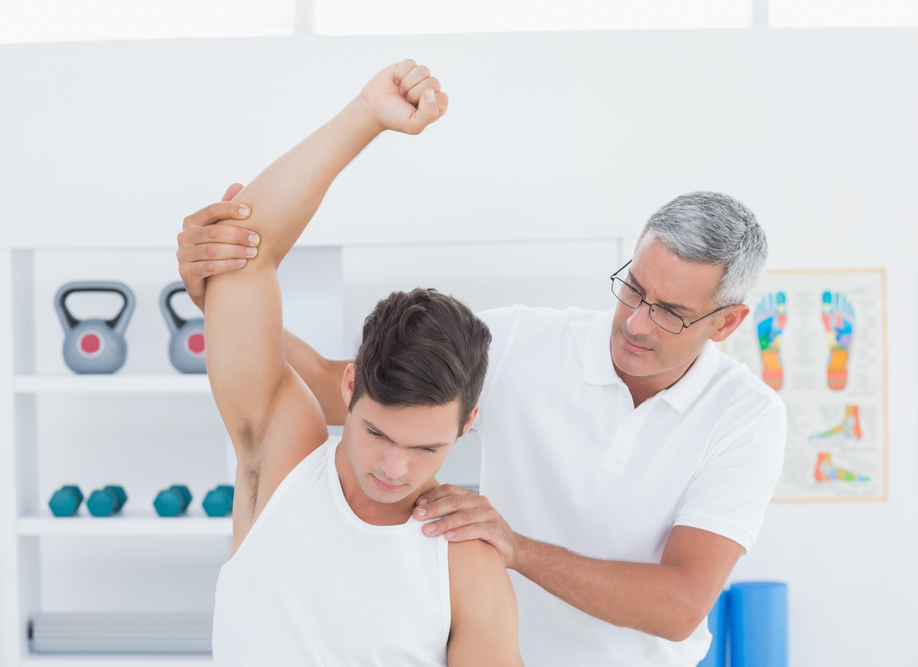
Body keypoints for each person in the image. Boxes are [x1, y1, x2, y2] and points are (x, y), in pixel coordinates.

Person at [179, 110, 786, 667]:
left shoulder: (745, 417)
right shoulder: (514, 345)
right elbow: (301, 351)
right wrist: (224, 302)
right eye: (632, 289)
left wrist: (515, 547)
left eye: (670, 312)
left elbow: (681, 606)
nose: (634, 322)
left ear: (726, 322)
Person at [201, 60, 522, 666]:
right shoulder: (284, 459)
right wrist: (365, 117)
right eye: (376, 432)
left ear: (468, 421)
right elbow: (243, 255)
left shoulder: (464, 560)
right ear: (350, 385)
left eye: (427, 448)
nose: (395, 468)